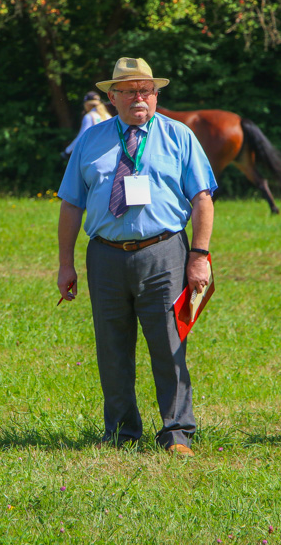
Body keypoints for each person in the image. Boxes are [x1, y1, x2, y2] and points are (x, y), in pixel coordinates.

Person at [57, 57, 217, 456]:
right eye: (128, 91)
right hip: (106, 256)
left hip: (164, 253)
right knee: (111, 348)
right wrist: (65, 263)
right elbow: (70, 204)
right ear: (112, 97)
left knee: (168, 345)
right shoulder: (91, 141)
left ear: (156, 94)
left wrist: (200, 255)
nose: (138, 97)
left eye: (145, 90)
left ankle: (177, 432)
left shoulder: (178, 136)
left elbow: (202, 198)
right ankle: (121, 433)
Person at [61, 91, 112, 159]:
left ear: (87, 104)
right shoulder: (108, 116)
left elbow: (82, 136)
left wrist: (68, 151)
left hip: (97, 156)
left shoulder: (89, 116)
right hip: (111, 154)